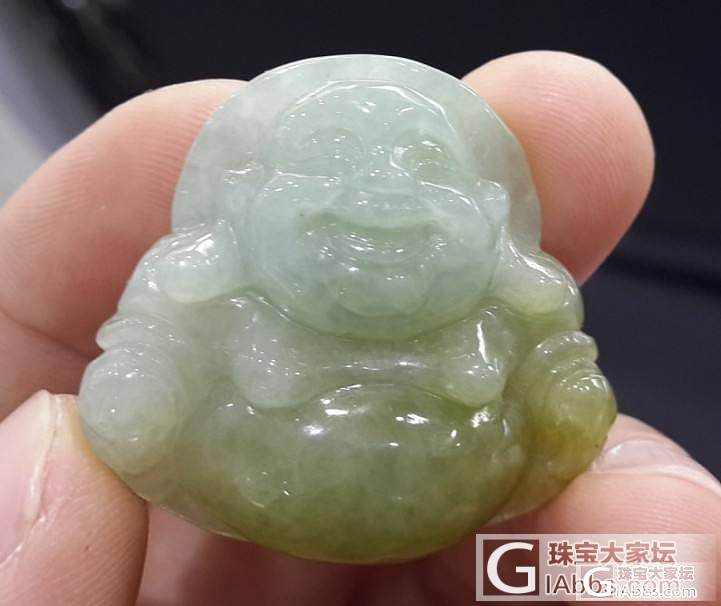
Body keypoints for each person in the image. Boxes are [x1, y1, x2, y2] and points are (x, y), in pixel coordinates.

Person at [0, 51, 718, 606]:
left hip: (469, 517)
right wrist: (138, 393)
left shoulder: (512, 307)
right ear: (243, 203)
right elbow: (150, 354)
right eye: (329, 158)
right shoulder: (207, 294)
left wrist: (564, 400)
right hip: (238, 501)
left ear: (490, 211)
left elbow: (557, 368)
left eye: (426, 164)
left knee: (650, 551)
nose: (380, 192)